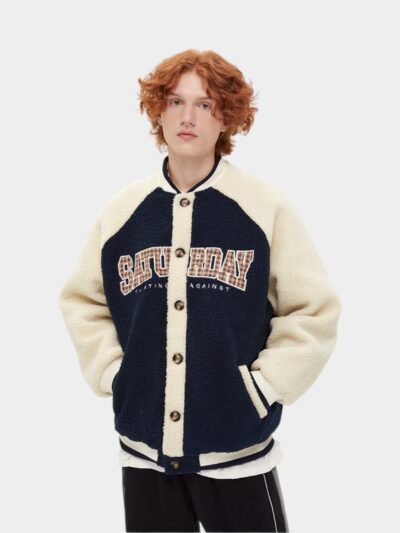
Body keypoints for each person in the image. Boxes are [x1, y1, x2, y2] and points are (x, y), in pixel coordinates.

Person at [59, 49, 341, 532]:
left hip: (237, 450)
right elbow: (83, 301)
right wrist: (116, 374)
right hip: (143, 454)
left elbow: (312, 311)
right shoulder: (123, 210)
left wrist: (262, 388)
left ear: (226, 117)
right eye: (175, 101)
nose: (187, 117)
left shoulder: (264, 207)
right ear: (158, 111)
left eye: (205, 105)